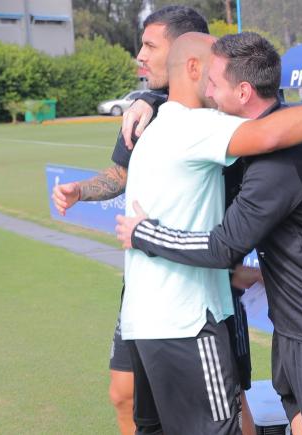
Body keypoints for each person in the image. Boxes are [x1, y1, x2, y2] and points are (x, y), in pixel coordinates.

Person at [116, 32, 302, 435]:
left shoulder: (278, 161)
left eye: (214, 84)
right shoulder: (261, 136)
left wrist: (146, 235)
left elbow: (221, 247)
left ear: (243, 91)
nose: (207, 93)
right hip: (297, 330)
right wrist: (154, 99)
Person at [51, 7, 261, 435]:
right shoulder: (146, 114)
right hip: (148, 287)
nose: (139, 57)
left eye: (150, 45)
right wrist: (80, 189)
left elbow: (268, 130)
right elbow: (119, 176)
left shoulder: (219, 117)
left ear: (188, 55)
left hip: (204, 279)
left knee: (229, 403)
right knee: (124, 395)